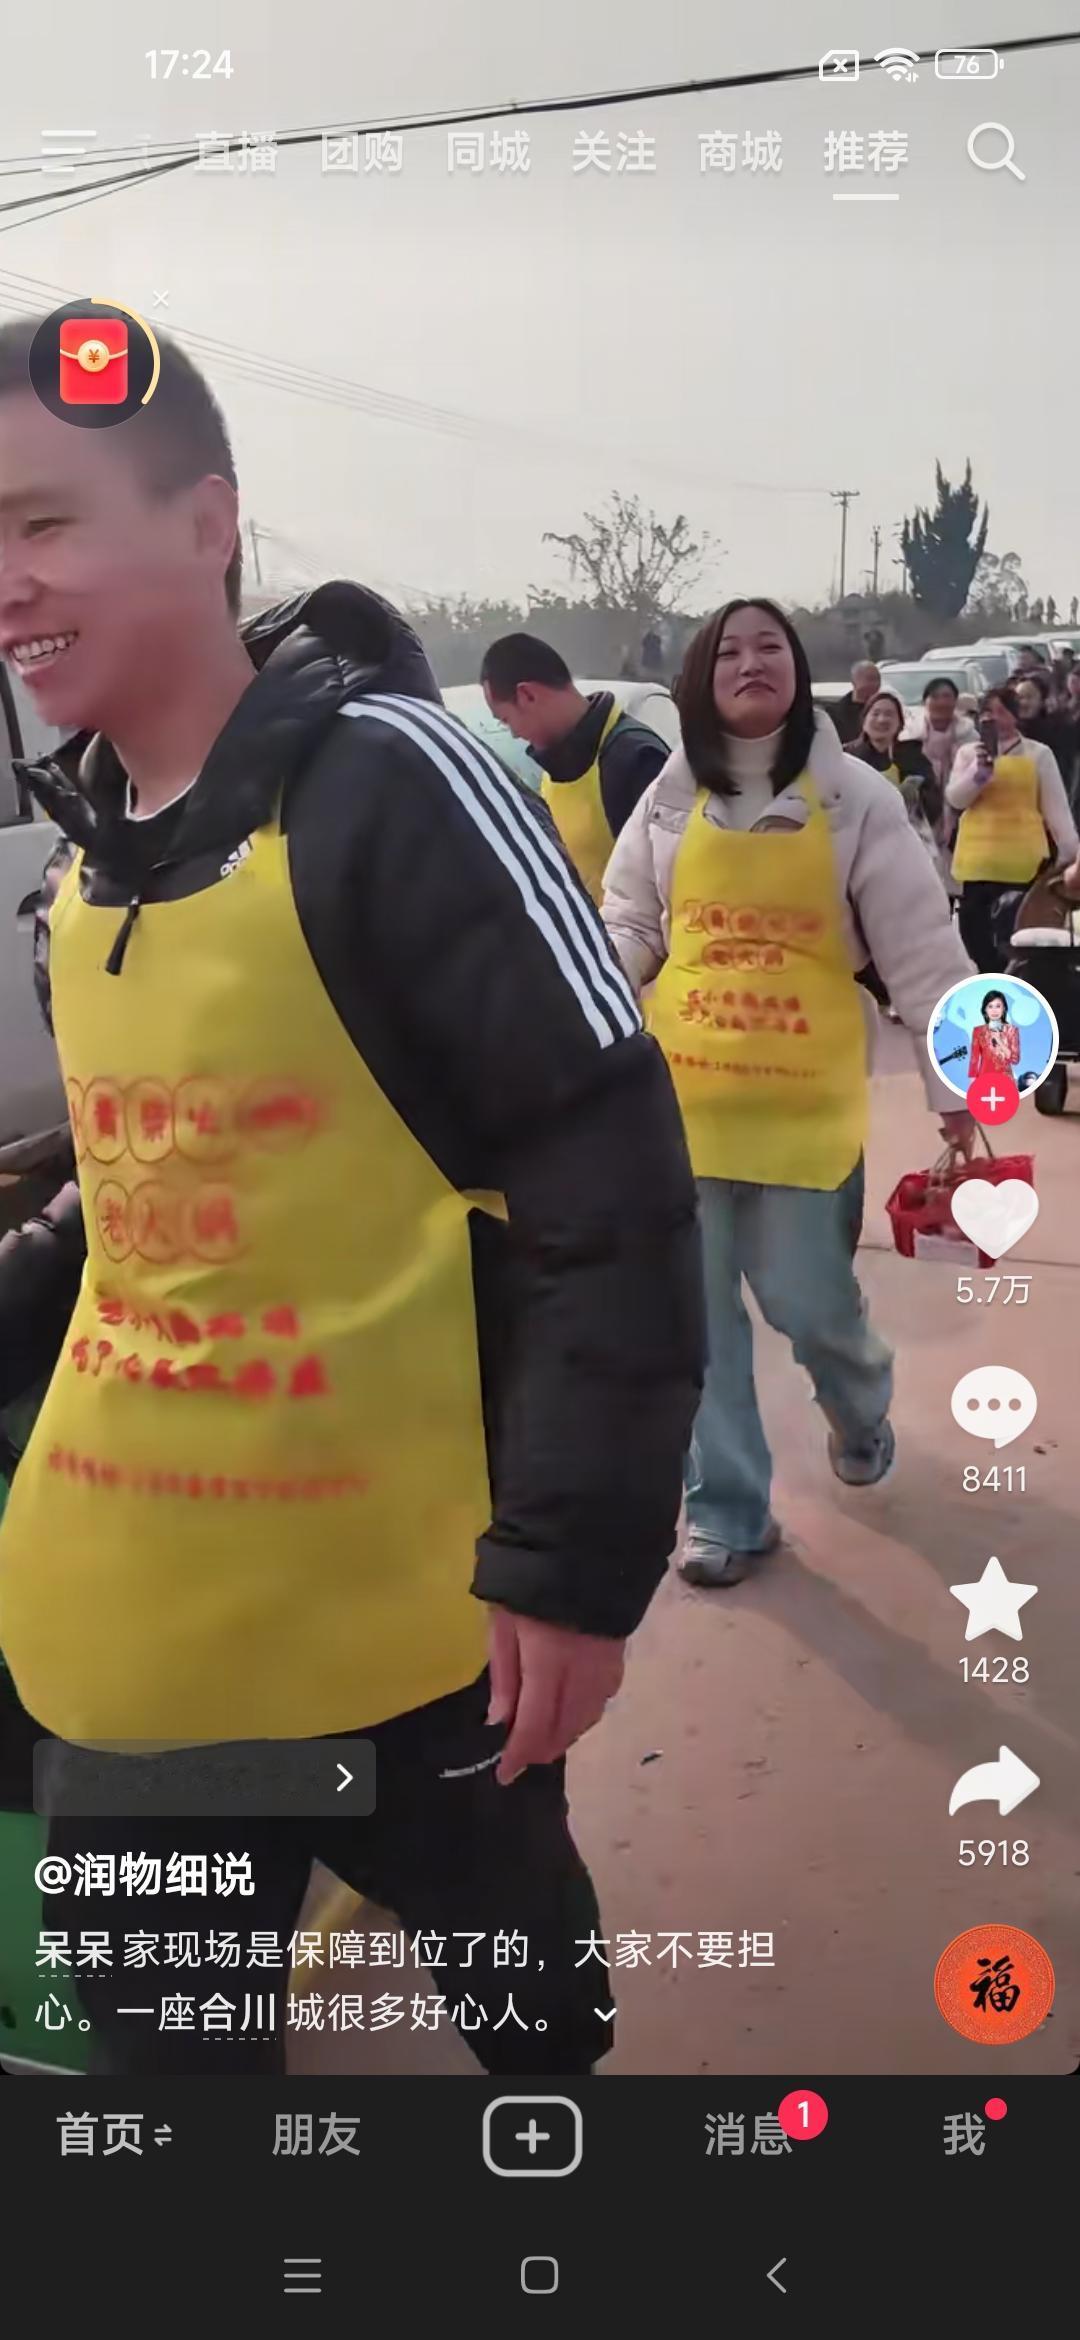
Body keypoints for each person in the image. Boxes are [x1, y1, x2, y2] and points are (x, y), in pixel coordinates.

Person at [0, 315, 704, 2074]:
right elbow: (146, 1201)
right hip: (129, 1641)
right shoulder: (83, 861)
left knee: (536, 2022)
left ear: (207, 522)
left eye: (42, 523)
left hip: (408, 1630)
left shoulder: (392, 783)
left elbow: (602, 1180)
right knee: (175, 2075)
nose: (6, 584)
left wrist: (571, 1567)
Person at [600, 597, 975, 1589]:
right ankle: (726, 1512)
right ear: (702, 676)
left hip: (806, 1109)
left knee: (809, 1306)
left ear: (798, 670)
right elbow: (632, 917)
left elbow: (921, 949)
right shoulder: (670, 794)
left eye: (771, 645)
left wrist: (955, 1084)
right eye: (730, 649)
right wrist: (596, 995)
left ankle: (860, 1403)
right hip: (684, 1104)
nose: (751, 662)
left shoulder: (853, 797)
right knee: (699, 1325)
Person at [480, 633, 670, 903]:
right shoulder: (552, 772)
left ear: (527, 695)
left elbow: (672, 881)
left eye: (506, 719)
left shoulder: (636, 759)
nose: (513, 734)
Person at [947, 683, 1078, 970]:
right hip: (977, 861)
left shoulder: (1038, 753)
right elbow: (956, 799)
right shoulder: (969, 754)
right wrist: (979, 773)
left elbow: (1056, 808)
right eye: (988, 712)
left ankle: (1015, 979)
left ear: (1015, 715)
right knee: (975, 937)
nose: (994, 718)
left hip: (1021, 862)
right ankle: (988, 979)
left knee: (1015, 934)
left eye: (1002, 711)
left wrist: (1069, 855)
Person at [847, 690, 943, 846]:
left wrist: (915, 796)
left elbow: (934, 801)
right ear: (864, 720)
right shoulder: (847, 757)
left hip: (902, 841)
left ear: (900, 723)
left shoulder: (913, 758)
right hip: (858, 840)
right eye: (875, 713)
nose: (882, 719)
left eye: (889, 714)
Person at [967, 989, 1020, 1084]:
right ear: (985, 1009)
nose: (994, 1010)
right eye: (990, 1006)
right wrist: (972, 1080)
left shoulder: (1012, 1030)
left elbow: (1014, 1059)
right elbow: (974, 1059)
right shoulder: (978, 1031)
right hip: (984, 1078)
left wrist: (999, 1041)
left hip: (1005, 1079)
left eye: (998, 1006)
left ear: (1004, 1008)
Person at [830, 658, 882, 746]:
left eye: (878, 679)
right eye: (870, 679)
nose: (875, 684)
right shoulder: (834, 714)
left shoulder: (882, 710)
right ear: (854, 681)